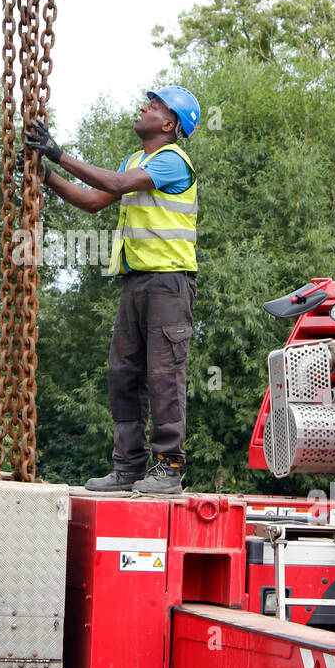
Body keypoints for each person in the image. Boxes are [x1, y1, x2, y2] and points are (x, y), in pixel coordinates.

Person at [23, 86, 200, 495]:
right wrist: (45, 175)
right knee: (123, 375)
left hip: (170, 283)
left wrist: (57, 153)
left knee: (164, 376)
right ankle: (128, 467)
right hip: (136, 281)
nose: (144, 107)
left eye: (154, 106)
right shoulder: (137, 160)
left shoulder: (173, 161)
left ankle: (168, 468)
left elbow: (117, 184)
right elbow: (92, 201)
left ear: (169, 124)